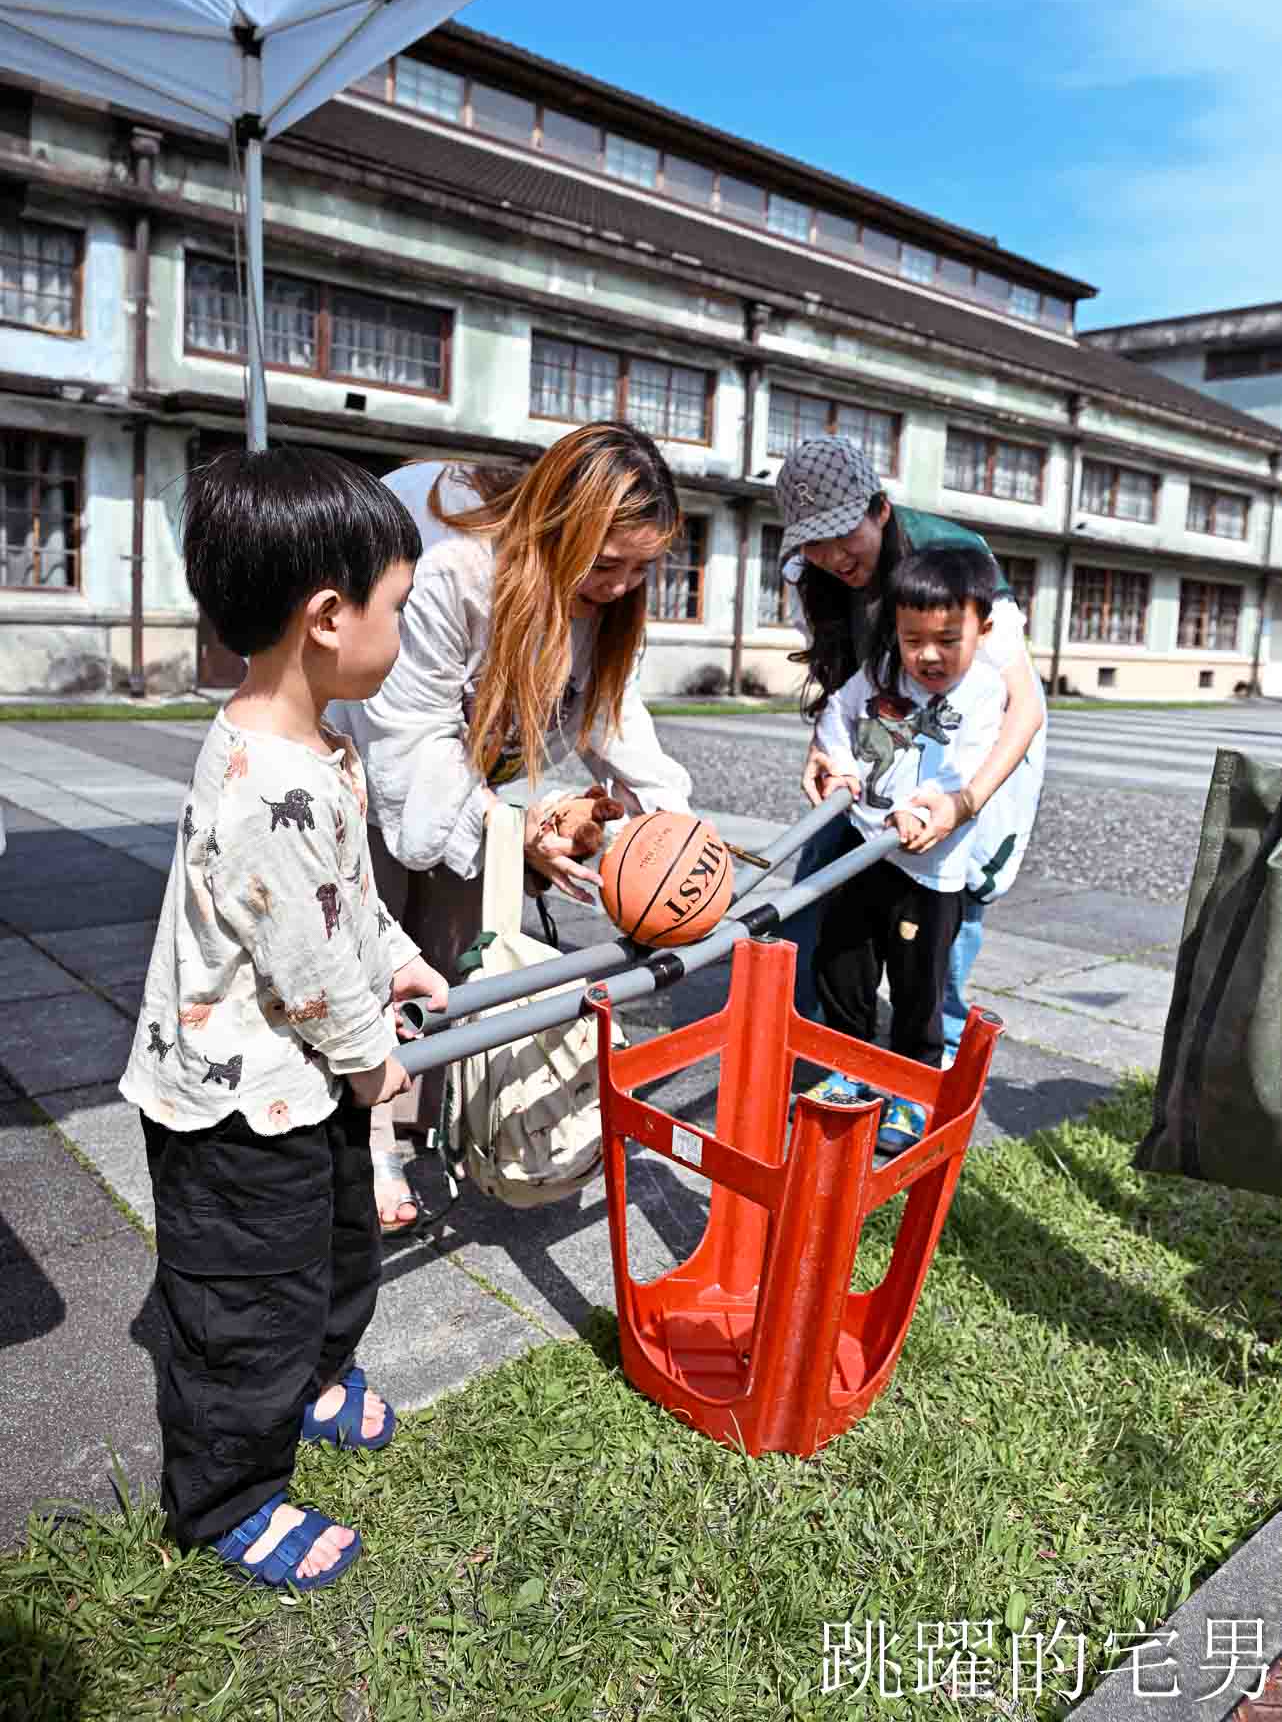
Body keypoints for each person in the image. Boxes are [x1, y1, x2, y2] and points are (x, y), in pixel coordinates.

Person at [119, 447, 449, 1591]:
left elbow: (344, 906)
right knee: (241, 1312)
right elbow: (306, 964)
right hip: (229, 1107)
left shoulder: (321, 752)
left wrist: (400, 956)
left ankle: (316, 1377)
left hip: (291, 1085)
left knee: (333, 1253)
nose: (401, 632)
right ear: (326, 616)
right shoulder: (264, 780)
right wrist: (373, 1068)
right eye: (397, 608)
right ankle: (227, 1498)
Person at [330, 422, 693, 1230]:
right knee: (365, 937)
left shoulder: (601, 594)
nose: (621, 587)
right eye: (605, 564)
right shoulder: (450, 568)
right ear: (557, 529)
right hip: (362, 746)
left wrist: (670, 817)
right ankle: (368, 1141)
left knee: (452, 936)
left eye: (642, 568)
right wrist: (517, 830)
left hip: (458, 766)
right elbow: (412, 746)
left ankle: (418, 1118)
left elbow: (609, 708)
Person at [775, 434, 1046, 1055]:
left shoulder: (952, 562)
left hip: (975, 734)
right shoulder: (810, 577)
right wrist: (824, 752)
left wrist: (967, 802)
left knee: (950, 895)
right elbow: (842, 686)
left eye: (846, 534)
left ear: (881, 509)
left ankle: (933, 1060)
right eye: (814, 541)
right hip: (887, 724)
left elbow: (1021, 705)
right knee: (827, 882)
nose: (833, 555)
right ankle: (837, 1047)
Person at [811, 547, 1006, 1066]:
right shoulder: (881, 672)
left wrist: (919, 811)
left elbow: (964, 770)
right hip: (862, 848)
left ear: (982, 632)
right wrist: (840, 763)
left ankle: (912, 1083)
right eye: (912, 640)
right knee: (842, 964)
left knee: (920, 985)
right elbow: (838, 712)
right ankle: (845, 1070)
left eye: (947, 641)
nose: (928, 656)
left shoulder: (984, 691)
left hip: (928, 871)